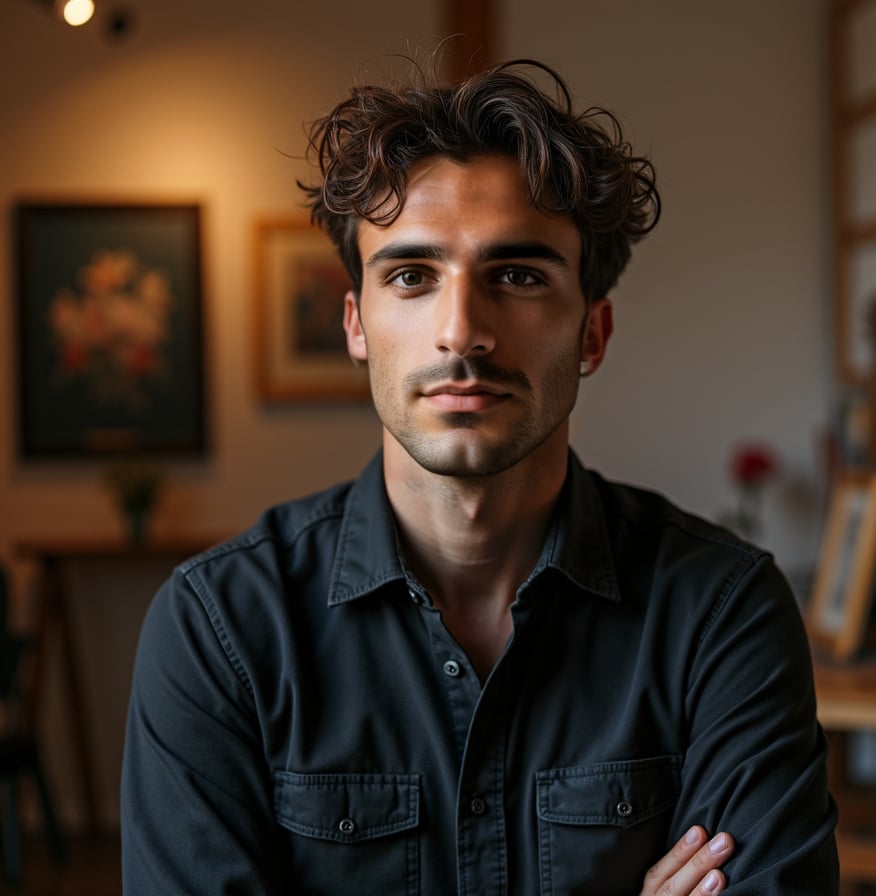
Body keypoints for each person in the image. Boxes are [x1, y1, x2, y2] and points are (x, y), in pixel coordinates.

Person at [120, 58, 839, 894]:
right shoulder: (221, 633)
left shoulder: (721, 613)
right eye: (412, 277)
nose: (461, 331)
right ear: (357, 324)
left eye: (519, 276)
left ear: (592, 333)